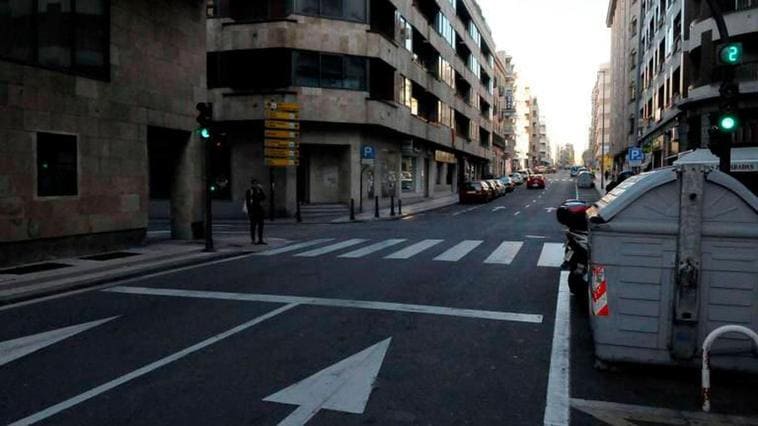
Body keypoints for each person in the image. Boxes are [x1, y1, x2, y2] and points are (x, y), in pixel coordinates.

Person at [245, 179, 266, 245]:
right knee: (253, 226)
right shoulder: (249, 191)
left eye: (256, 184)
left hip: (259, 210)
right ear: (252, 184)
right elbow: (248, 202)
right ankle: (253, 240)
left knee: (261, 226)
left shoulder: (259, 191)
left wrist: (261, 190)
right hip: (253, 211)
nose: (256, 185)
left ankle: (260, 239)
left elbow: (264, 197)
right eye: (254, 184)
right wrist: (249, 212)